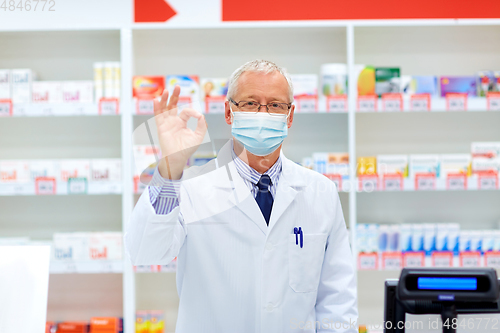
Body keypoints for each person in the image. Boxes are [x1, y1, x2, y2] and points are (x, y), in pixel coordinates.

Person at [125, 60, 358, 333]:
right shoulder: (191, 187)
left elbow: (337, 299)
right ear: (229, 112)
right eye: (249, 104)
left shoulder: (321, 192)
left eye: (275, 105)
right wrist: (170, 166)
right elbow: (145, 252)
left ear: (290, 115)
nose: (263, 114)